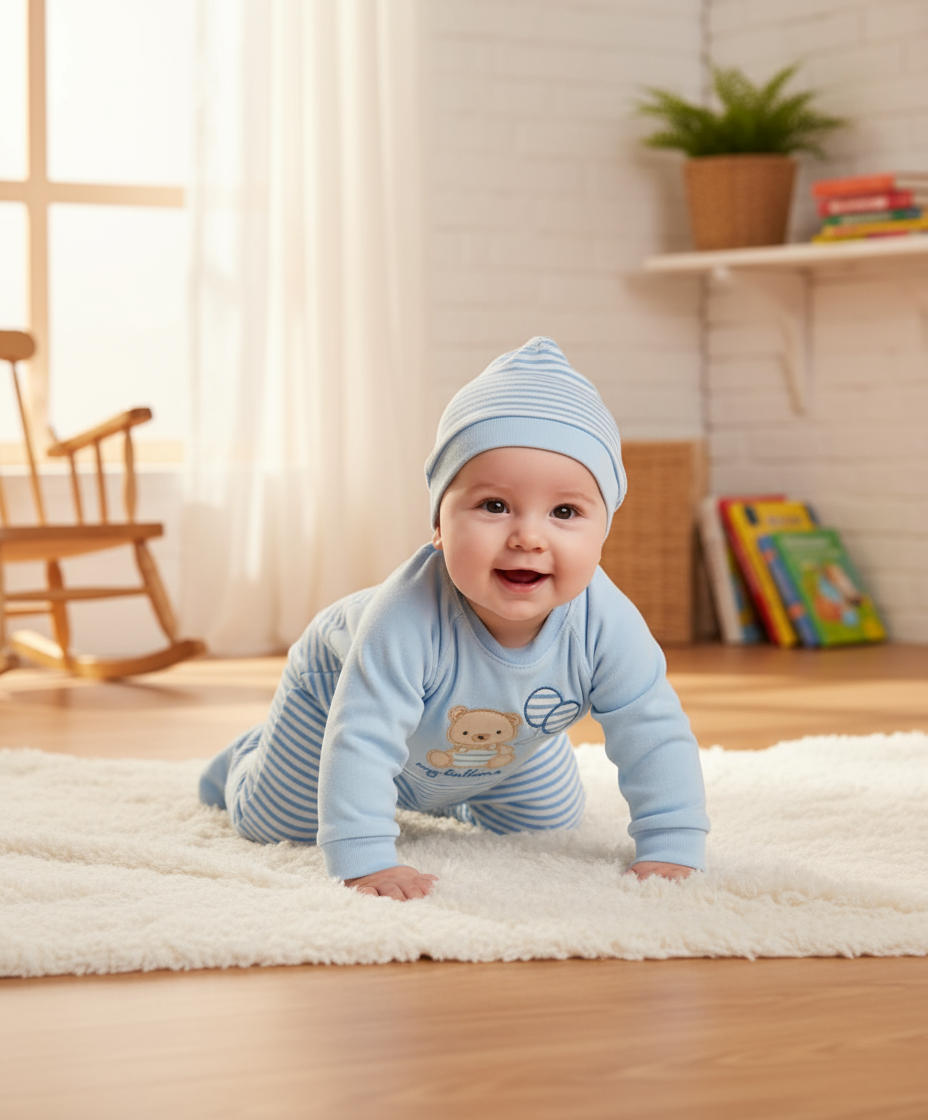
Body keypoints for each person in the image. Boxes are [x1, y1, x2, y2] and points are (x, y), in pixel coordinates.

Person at [199, 337, 709, 900]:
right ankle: (252, 754)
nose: (528, 536)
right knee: (277, 825)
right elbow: (362, 740)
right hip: (335, 702)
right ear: (439, 525)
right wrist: (366, 860)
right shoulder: (404, 618)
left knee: (549, 821)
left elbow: (655, 734)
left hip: (493, 735)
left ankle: (457, 780)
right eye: (494, 506)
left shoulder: (608, 625)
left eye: (565, 512)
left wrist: (671, 845)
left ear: (603, 530)